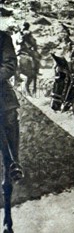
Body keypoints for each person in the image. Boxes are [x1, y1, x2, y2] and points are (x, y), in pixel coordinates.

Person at [1, 30, 25, 182]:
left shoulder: (3, 38)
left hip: (1, 93)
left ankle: (13, 163)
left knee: (9, 119)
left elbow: (9, 65)